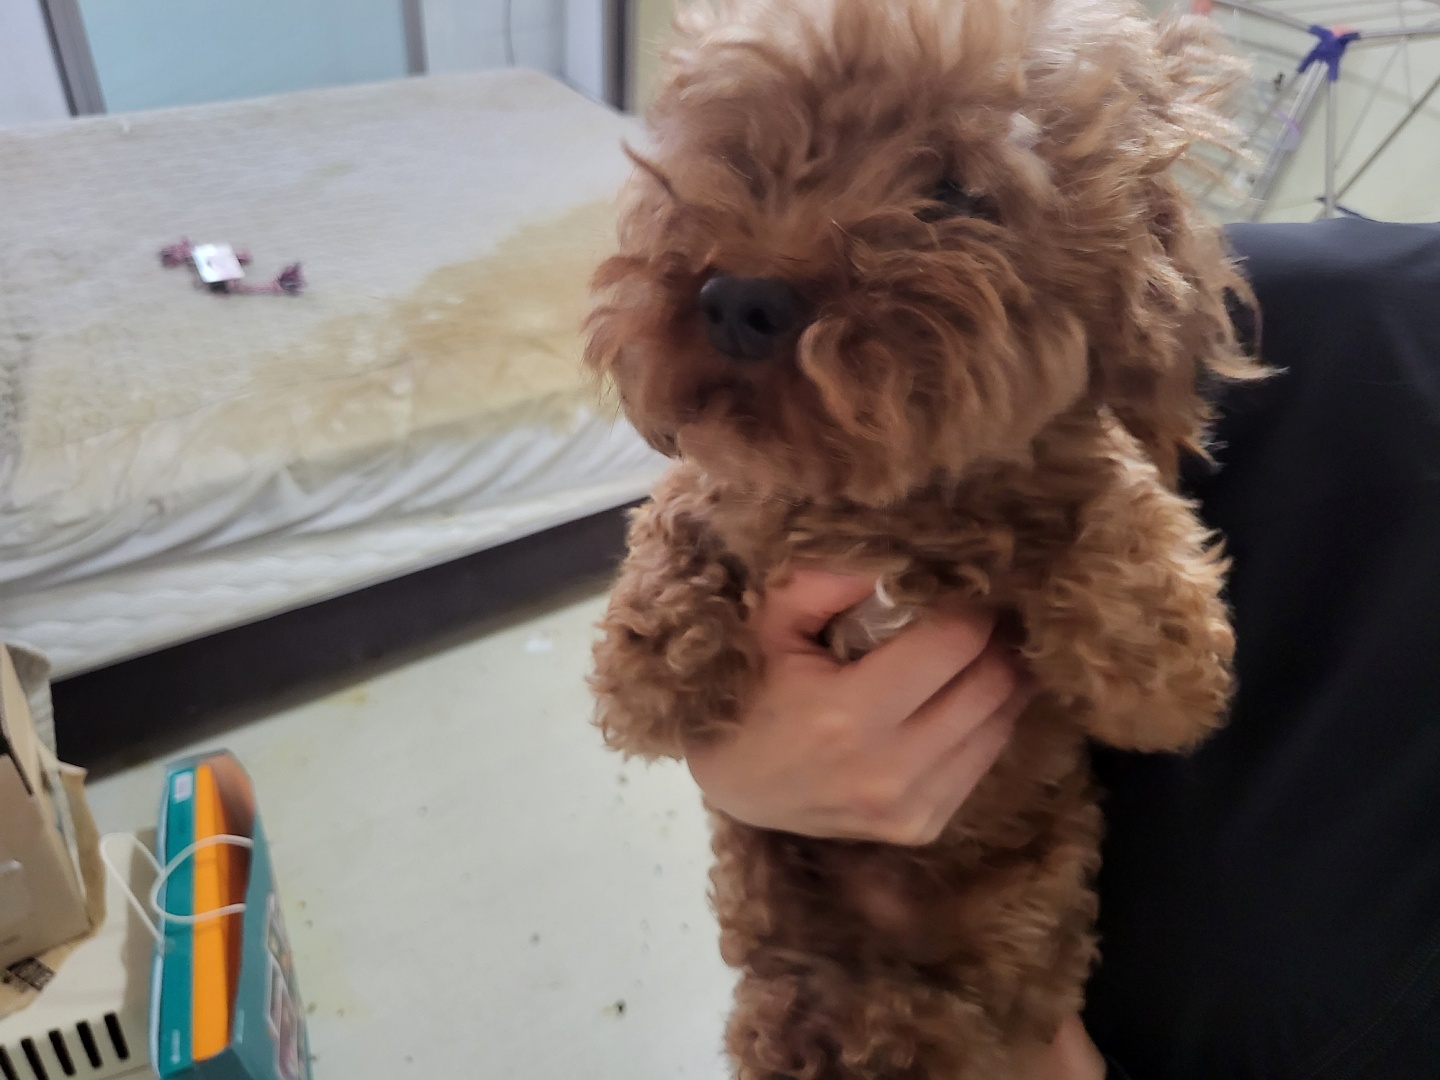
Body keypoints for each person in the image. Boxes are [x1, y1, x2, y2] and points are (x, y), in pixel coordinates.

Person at [682, 218, 1440, 1079]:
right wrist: (736, 748)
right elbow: (758, 460)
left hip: (1030, 963)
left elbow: (1155, 684)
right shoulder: (1317, 322)